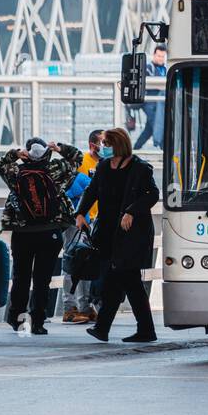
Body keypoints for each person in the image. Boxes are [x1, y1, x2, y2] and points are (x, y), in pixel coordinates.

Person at [0, 136, 83, 334]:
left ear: (26, 152)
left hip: (22, 232)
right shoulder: (56, 170)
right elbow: (78, 158)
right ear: (46, 151)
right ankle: (38, 322)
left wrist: (14, 155)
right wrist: (59, 148)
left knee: (21, 277)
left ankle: (18, 319)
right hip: (50, 231)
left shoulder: (16, 172)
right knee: (43, 279)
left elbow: (0, 164)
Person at [79, 127, 159, 343]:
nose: (103, 147)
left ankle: (110, 328)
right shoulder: (104, 166)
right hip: (107, 232)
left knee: (124, 278)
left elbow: (152, 194)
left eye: (107, 143)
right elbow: (92, 191)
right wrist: (80, 212)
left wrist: (131, 211)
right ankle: (114, 329)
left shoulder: (140, 168)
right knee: (123, 281)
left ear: (118, 144)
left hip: (130, 233)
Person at [62, 130, 105, 323]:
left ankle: (86, 306)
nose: (106, 146)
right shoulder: (82, 163)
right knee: (73, 261)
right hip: (78, 222)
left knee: (87, 263)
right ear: (92, 145)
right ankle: (70, 307)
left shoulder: (106, 164)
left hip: (96, 220)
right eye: (103, 143)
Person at [133, 46, 167, 150]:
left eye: (163, 56)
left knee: (149, 129)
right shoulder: (148, 68)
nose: (160, 58)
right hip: (149, 102)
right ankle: (164, 150)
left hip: (160, 102)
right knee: (157, 124)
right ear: (154, 55)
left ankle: (135, 149)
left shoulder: (165, 69)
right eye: (159, 56)